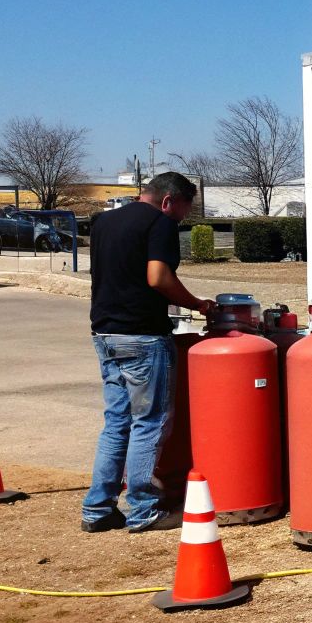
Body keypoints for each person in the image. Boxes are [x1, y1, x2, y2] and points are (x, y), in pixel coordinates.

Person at [81, 172, 215, 533]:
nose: (181, 220)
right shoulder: (159, 222)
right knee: (150, 422)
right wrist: (198, 304)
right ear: (169, 201)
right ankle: (143, 510)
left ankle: (97, 508)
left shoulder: (105, 222)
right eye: (182, 213)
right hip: (142, 337)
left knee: (116, 423)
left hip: (105, 333)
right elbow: (157, 277)